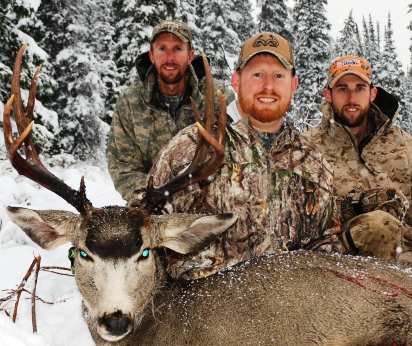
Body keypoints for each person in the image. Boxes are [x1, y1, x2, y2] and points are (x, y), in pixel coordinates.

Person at [135, 32, 344, 280]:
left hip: (290, 309)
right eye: (257, 74)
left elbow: (327, 244)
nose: (268, 86)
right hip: (203, 309)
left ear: (293, 84)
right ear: (236, 81)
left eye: (278, 75)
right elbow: (139, 225)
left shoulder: (314, 163)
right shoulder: (190, 146)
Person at [302, 55, 412, 274]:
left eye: (359, 88)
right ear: (328, 95)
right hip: (337, 265)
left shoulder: (401, 146)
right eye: (342, 89)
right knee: (378, 225)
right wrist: (351, 210)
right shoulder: (306, 149)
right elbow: (296, 218)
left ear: (372, 93)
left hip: (404, 261)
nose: (351, 98)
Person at [107, 20, 235, 200]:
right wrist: (151, 197)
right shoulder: (130, 102)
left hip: (205, 201)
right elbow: (124, 167)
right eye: (162, 49)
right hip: (152, 205)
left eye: (177, 49)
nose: (169, 58)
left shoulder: (217, 97)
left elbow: (235, 157)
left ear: (190, 56)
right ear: (151, 55)